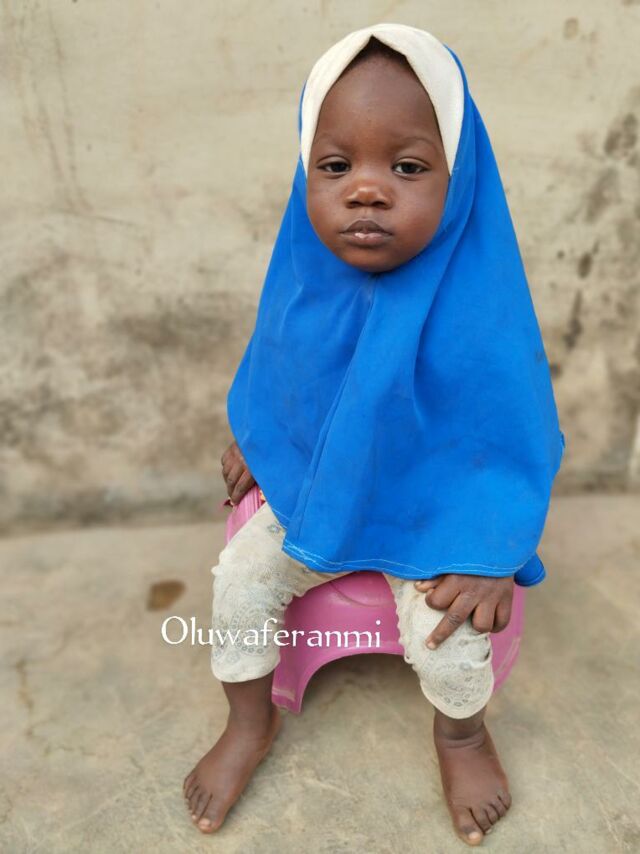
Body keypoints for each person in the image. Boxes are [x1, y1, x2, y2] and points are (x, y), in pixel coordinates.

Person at [183, 23, 564, 847]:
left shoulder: (481, 308)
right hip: (317, 494)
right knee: (239, 582)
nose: (366, 190)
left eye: (408, 168)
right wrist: (263, 437)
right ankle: (248, 721)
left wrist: (492, 550)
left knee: (451, 640)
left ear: (459, 179)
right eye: (335, 166)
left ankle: (461, 735)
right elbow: (281, 370)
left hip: (439, 519)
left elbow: (515, 428)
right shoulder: (306, 278)